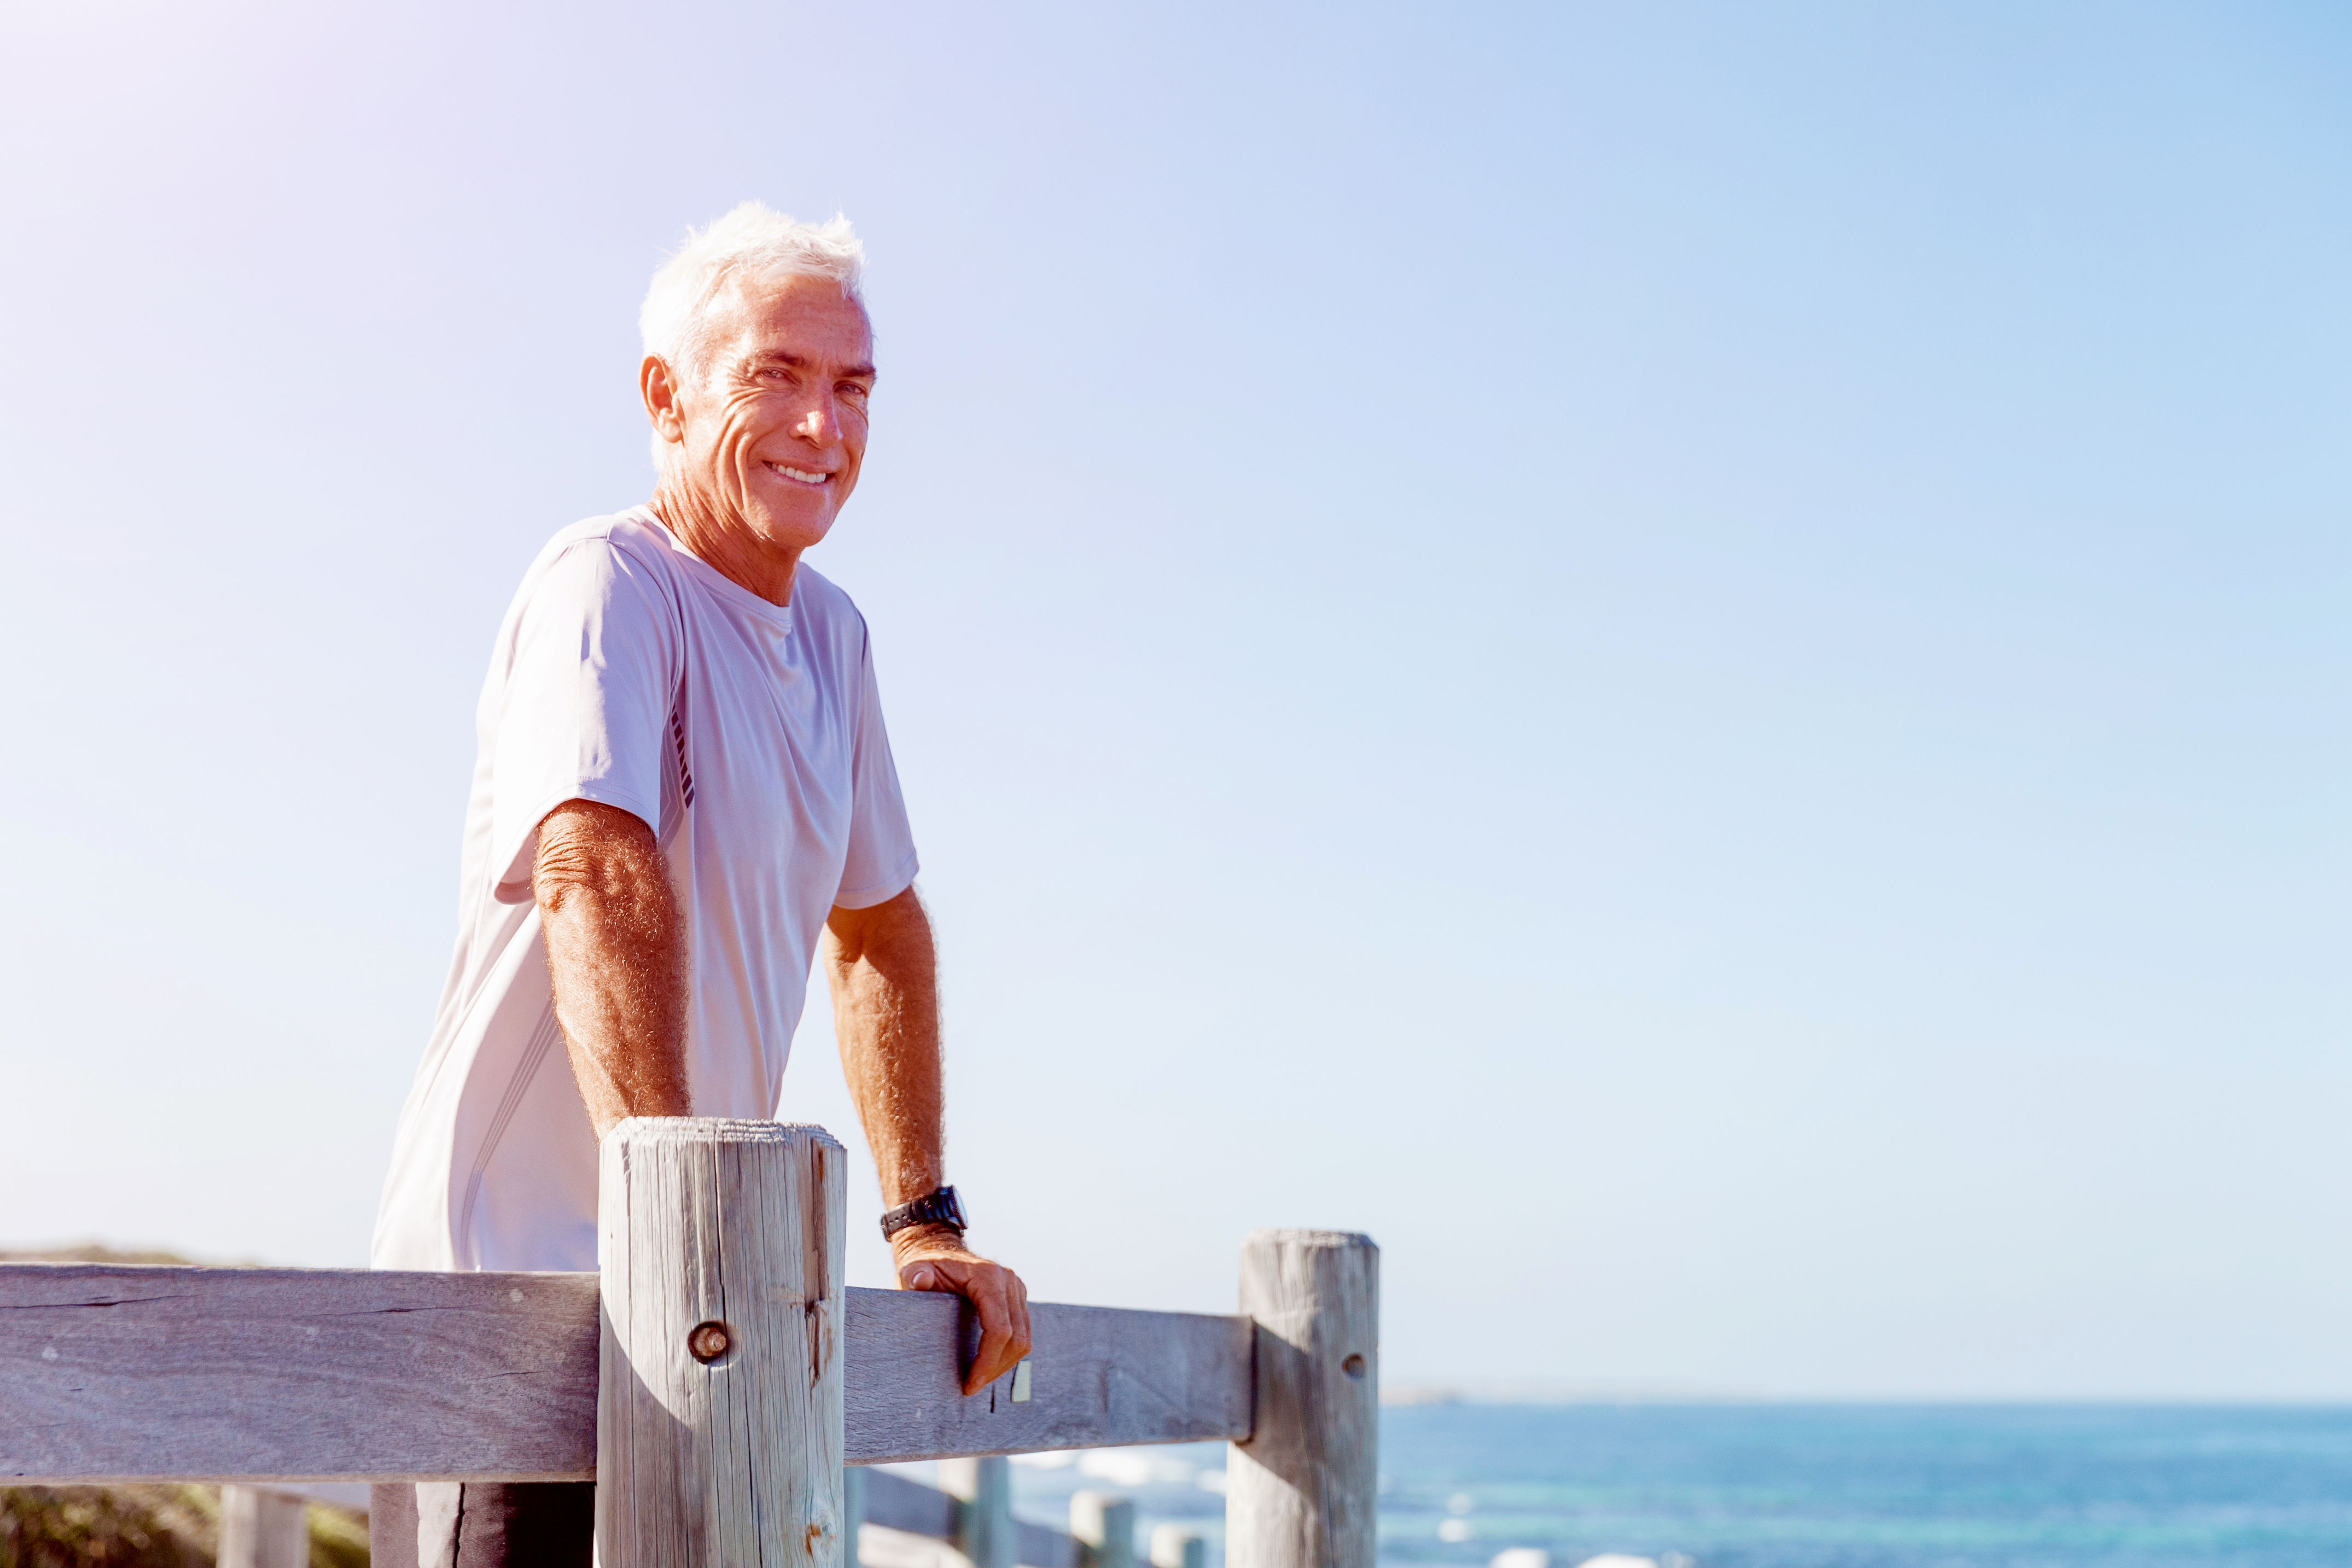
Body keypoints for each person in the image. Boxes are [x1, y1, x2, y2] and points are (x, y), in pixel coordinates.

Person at [369, 202, 1030, 1567]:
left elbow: (879, 928)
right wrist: (680, 1221)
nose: (822, 426)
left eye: (850, 388)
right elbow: (589, 867)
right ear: (666, 397)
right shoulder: (605, 582)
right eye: (774, 376)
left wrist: (922, 1225)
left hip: (695, 1310)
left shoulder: (837, 639)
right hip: (514, 1303)